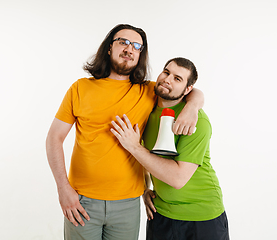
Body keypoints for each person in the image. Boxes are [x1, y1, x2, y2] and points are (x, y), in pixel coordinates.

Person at [46, 24, 204, 240]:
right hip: (81, 201)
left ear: (140, 55)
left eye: (137, 46)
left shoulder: (149, 90)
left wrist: (192, 107)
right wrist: (63, 189)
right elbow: (54, 138)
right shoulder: (80, 88)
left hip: (128, 204)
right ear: (109, 47)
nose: (130, 49)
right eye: (123, 42)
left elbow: (191, 89)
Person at [111, 57, 229, 240]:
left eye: (177, 79)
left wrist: (133, 147)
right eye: (166, 72)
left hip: (202, 217)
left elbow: (177, 178)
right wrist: (144, 188)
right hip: (161, 213)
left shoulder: (196, 122)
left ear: (187, 89)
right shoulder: (147, 107)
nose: (168, 79)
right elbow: (146, 158)